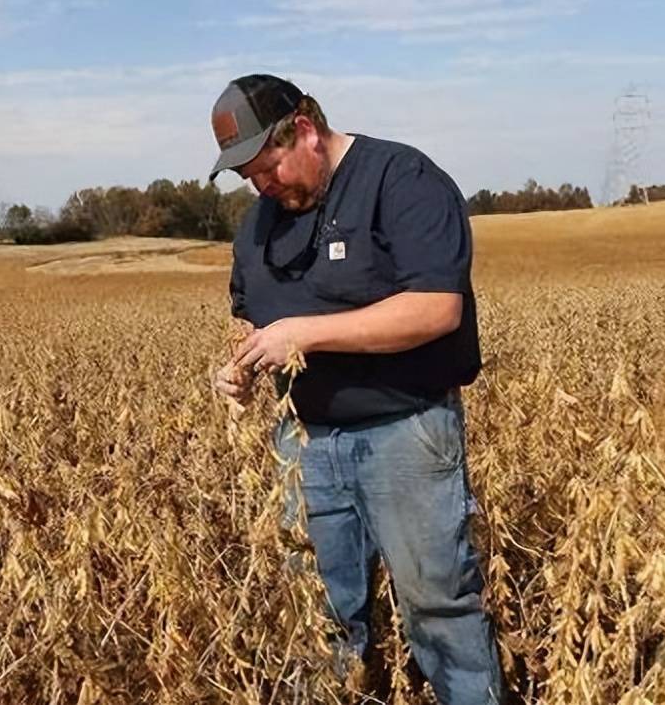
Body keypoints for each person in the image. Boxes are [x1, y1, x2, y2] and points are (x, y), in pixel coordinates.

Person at [210, 74, 503, 704]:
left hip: (405, 434)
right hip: (304, 446)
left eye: (269, 167)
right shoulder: (259, 223)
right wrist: (239, 367)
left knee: (438, 608)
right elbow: (251, 317)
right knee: (316, 613)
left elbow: (435, 308)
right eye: (250, 178)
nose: (263, 186)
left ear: (306, 131)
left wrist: (306, 334)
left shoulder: (401, 181)